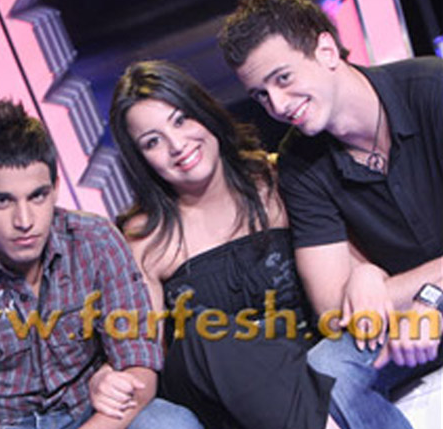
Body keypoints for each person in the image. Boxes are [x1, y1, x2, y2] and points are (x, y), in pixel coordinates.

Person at [218, 0, 443, 429]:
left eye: (283, 78)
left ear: (325, 49)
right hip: (403, 321)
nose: (277, 105)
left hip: (424, 303)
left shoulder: (432, 88)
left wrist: (401, 289)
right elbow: (332, 310)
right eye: (261, 94)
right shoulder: (299, 162)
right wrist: (364, 278)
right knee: (323, 371)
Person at [0, 100, 201, 429]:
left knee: (170, 423)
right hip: (3, 425)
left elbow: (139, 365)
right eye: (3, 201)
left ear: (55, 188)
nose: (24, 220)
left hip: (93, 411)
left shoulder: (95, 240)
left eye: (37, 196)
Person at [90, 59, 341, 429]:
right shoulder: (144, 238)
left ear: (203, 112)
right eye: (153, 142)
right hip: (212, 396)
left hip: (298, 362)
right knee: (203, 335)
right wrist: (108, 378)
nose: (177, 145)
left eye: (180, 120)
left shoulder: (277, 181)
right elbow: (141, 353)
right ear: (140, 160)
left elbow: (345, 267)